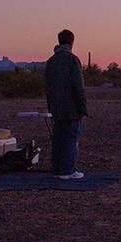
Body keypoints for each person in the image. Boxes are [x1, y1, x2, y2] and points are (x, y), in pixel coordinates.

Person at [44, 29, 87, 180]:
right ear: (72, 42)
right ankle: (68, 170)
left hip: (56, 107)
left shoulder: (51, 61)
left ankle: (57, 169)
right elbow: (78, 86)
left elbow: (47, 86)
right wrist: (83, 106)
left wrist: (51, 106)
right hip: (71, 108)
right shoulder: (72, 60)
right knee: (70, 138)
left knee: (58, 138)